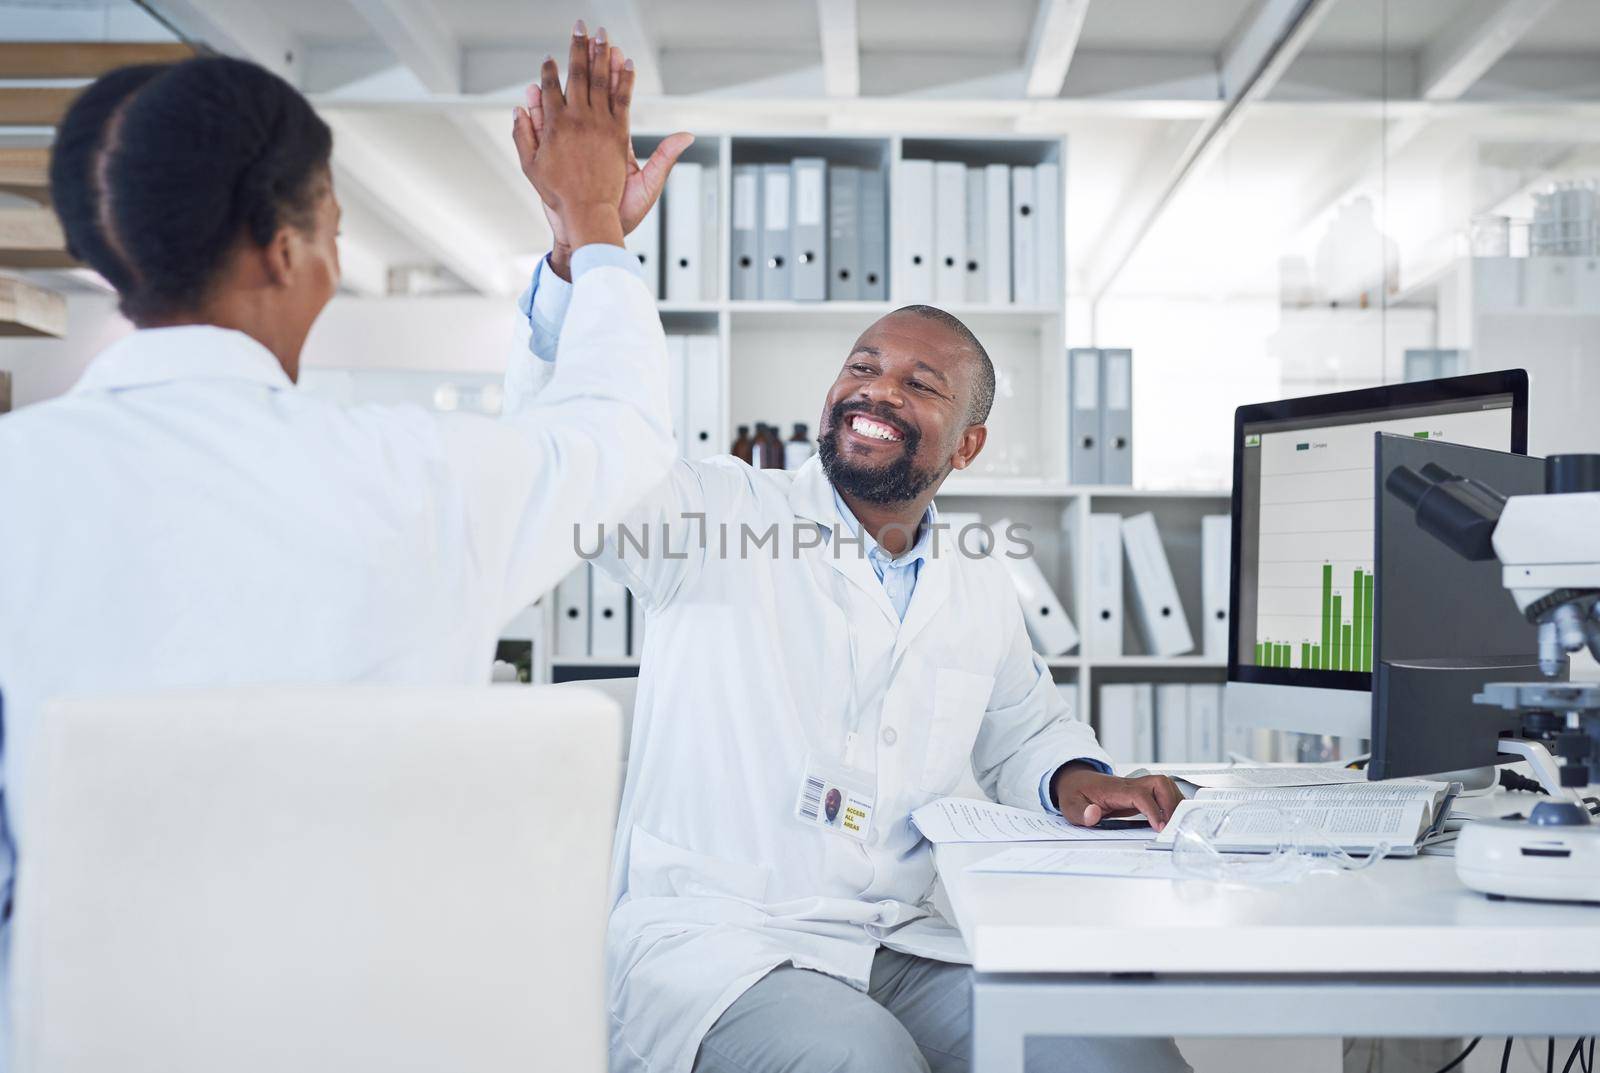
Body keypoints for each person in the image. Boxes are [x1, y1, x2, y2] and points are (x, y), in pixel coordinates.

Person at [0, 24, 675, 1050]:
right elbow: (616, 434)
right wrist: (592, 231)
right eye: (333, 225)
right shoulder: (421, 478)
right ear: (285, 248)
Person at [508, 112, 1191, 1073]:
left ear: (967, 446)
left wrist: (1084, 784)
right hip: (728, 942)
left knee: (1112, 1056)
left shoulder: (976, 581)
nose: (876, 392)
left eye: (919, 384)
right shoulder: (714, 513)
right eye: (862, 368)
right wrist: (581, 256)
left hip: (898, 940)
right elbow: (561, 465)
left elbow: (1024, 730)